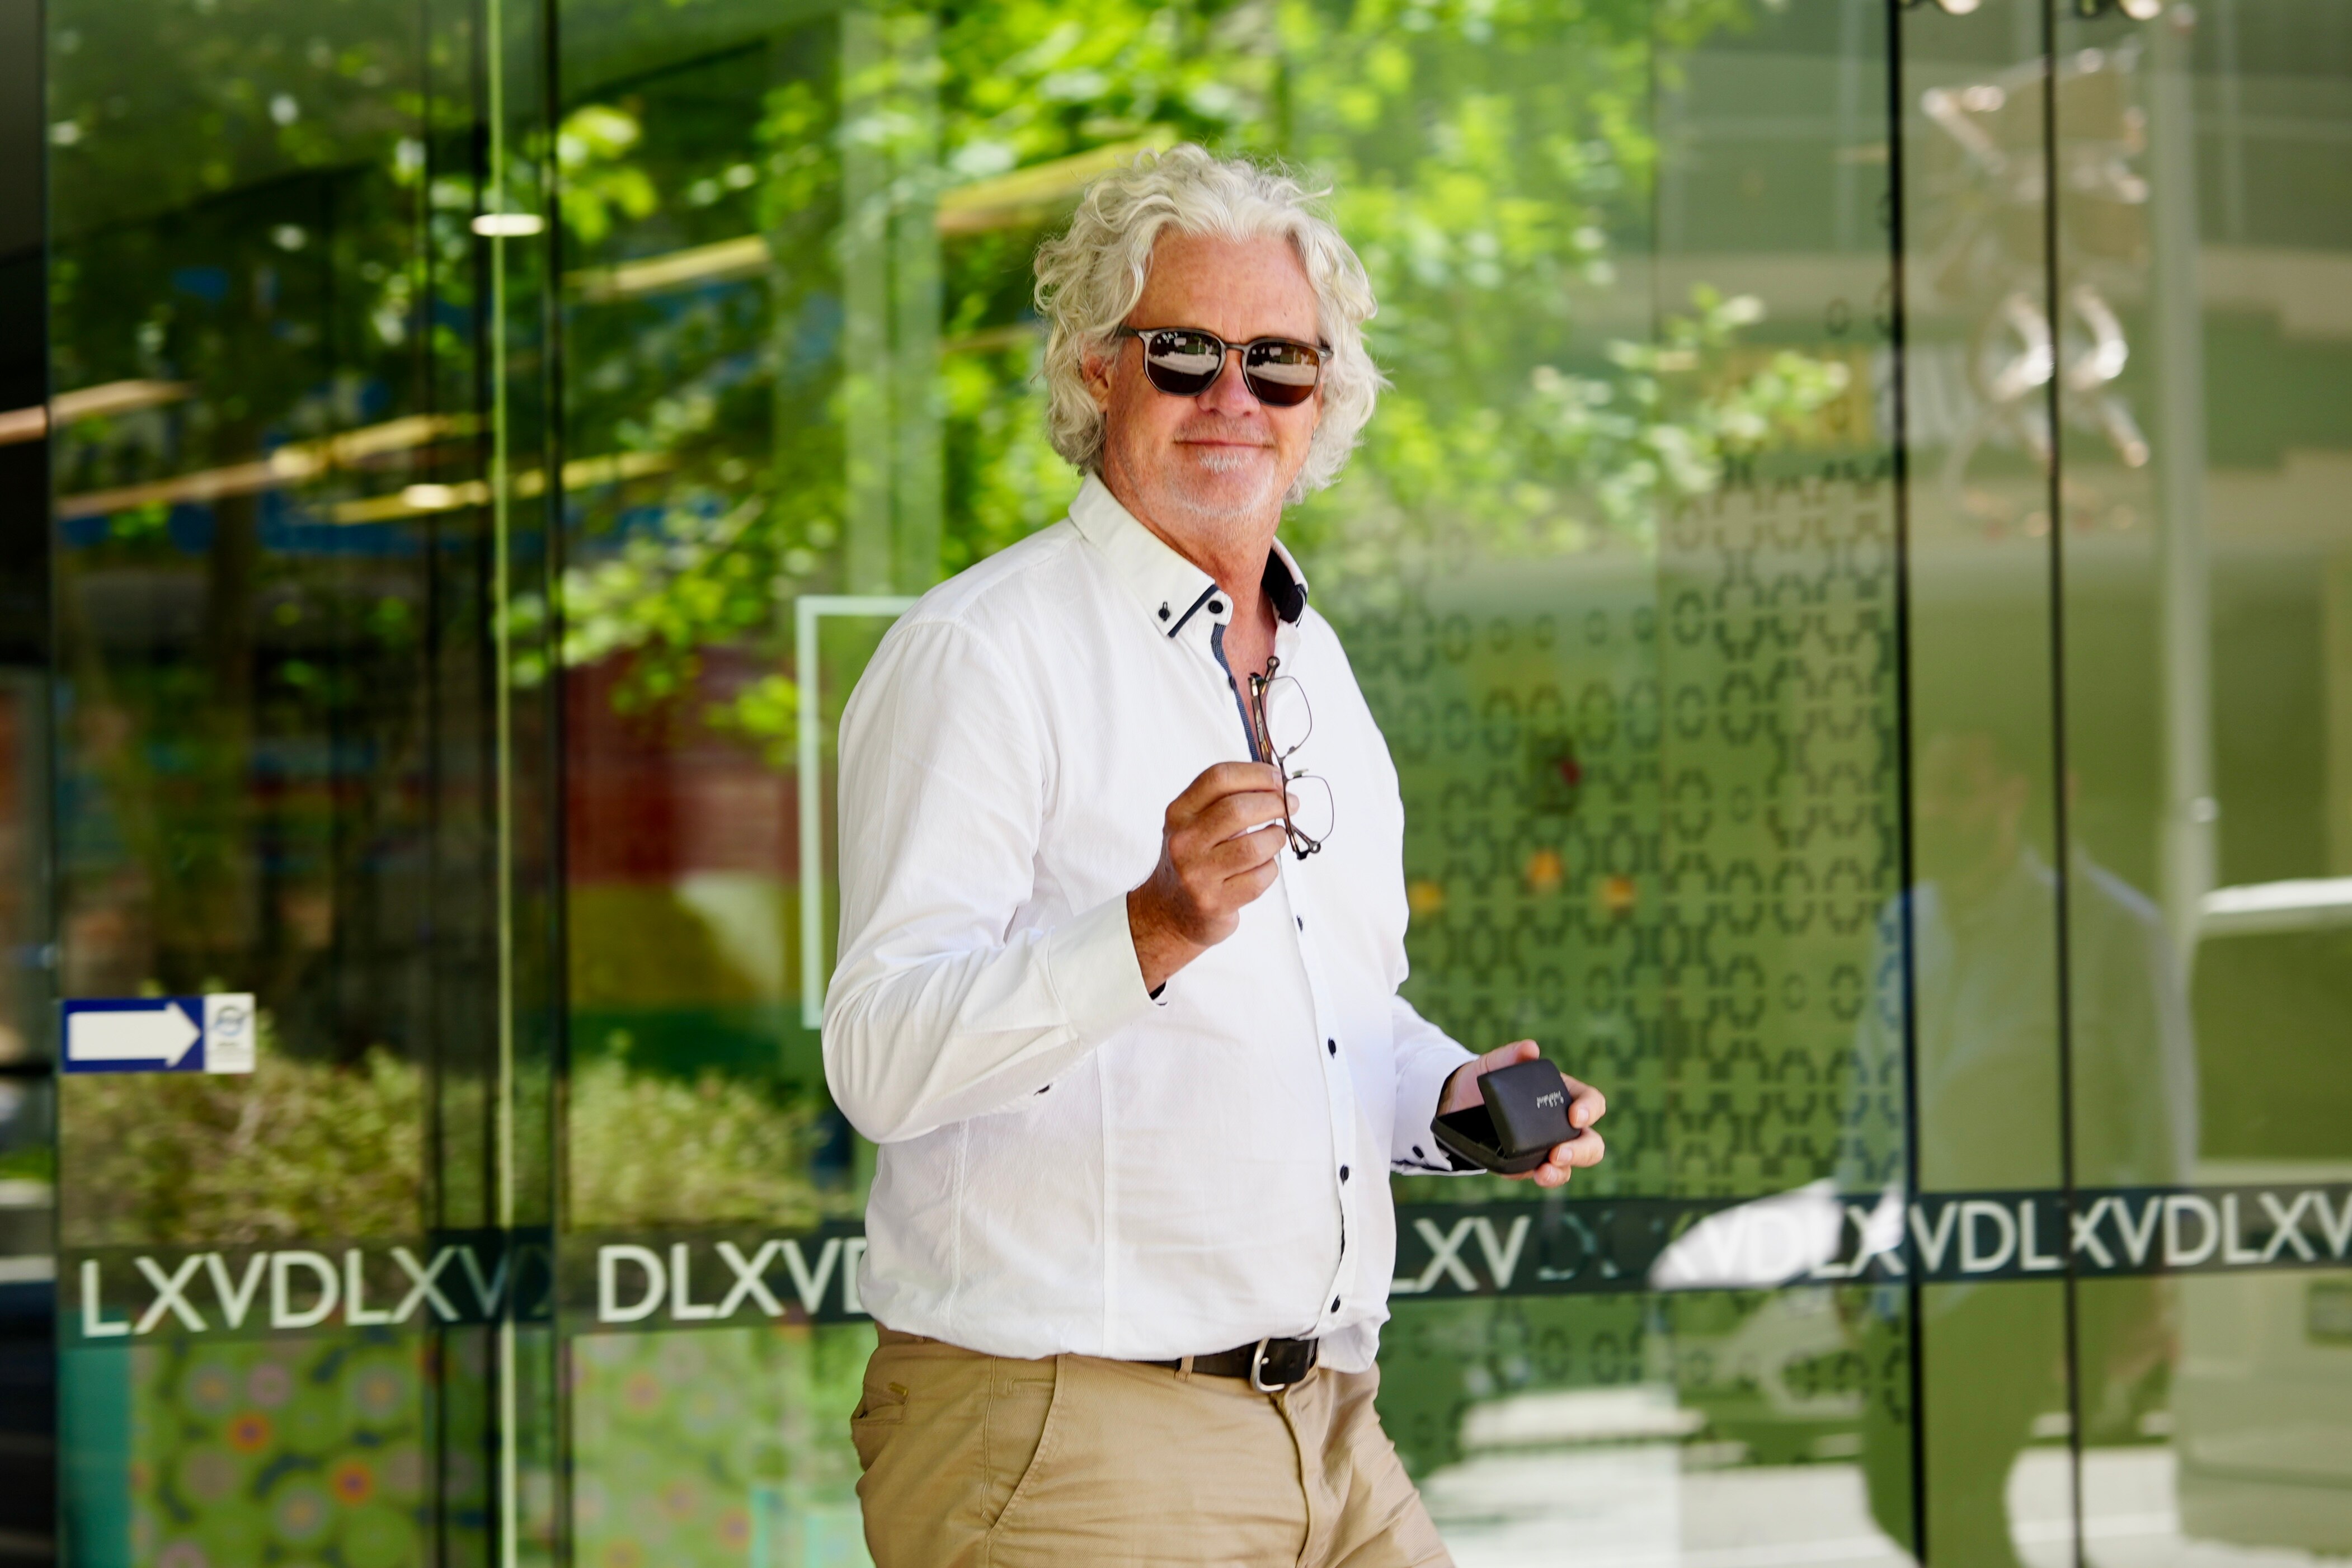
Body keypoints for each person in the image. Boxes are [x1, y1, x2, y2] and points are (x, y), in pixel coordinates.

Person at [822, 144, 1608, 1567]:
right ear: (1095, 371)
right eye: (1183, 353)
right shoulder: (981, 652)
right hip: (1068, 1439)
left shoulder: (1318, 664)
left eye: (1278, 362)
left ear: (1325, 397)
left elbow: (1331, 1022)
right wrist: (1150, 927)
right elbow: (878, 1058)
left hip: (1331, 1424)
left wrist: (1450, 1098)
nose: (1232, 396)